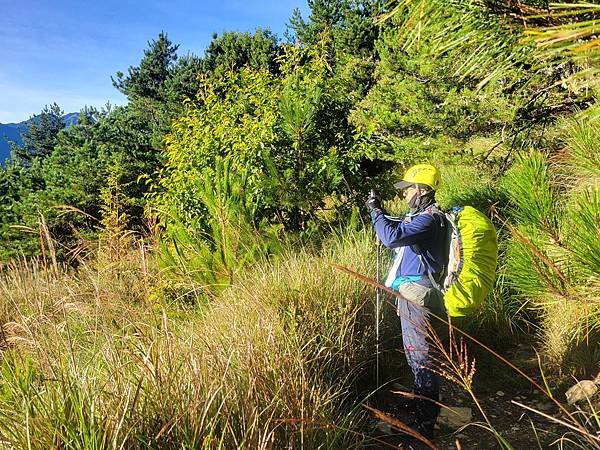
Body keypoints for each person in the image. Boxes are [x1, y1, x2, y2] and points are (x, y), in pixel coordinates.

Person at [366, 163, 447, 439]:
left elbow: (391, 237)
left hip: (418, 297)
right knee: (415, 354)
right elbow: (396, 227)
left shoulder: (430, 219)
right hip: (411, 294)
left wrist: (376, 212)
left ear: (422, 190)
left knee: (421, 356)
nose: (403, 194)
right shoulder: (420, 217)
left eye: (407, 189)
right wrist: (380, 215)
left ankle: (425, 425)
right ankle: (420, 405)